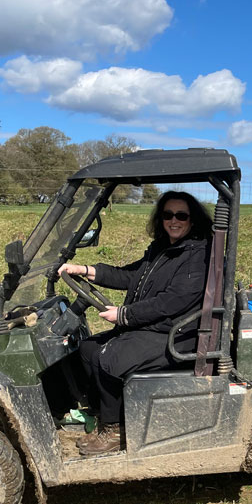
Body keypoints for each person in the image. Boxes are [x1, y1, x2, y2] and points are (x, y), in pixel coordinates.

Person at [58, 191, 212, 455]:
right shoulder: (164, 249)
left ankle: (116, 431)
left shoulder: (197, 255)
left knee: (109, 357)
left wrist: (124, 315)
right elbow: (130, 276)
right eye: (167, 215)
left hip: (177, 334)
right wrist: (85, 270)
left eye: (181, 215)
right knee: (88, 349)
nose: (173, 221)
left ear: (192, 219)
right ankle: (104, 418)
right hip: (153, 327)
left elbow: (171, 302)